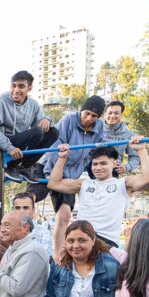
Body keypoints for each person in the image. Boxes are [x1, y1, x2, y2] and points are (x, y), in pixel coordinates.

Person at [47, 141, 149, 248]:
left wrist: (141, 150)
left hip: (106, 242)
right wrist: (62, 157)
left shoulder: (123, 184)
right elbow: (54, 183)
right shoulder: (84, 183)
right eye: (95, 164)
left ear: (114, 164)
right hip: (82, 238)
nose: (98, 168)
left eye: (103, 163)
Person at [41, 95, 107, 256]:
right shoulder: (68, 120)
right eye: (87, 113)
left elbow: (96, 151)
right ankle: (57, 255)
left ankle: (61, 255)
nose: (89, 118)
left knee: (65, 215)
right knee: (33, 198)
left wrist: (90, 166)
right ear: (81, 110)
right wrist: (58, 173)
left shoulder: (99, 126)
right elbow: (55, 146)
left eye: (94, 116)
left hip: (72, 176)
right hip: (54, 169)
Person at [0, 70, 57, 184]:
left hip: (18, 149)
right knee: (37, 132)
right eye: (13, 86)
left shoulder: (33, 104)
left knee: (53, 132)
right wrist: (9, 147)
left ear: (29, 88)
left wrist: (47, 119)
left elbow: (42, 124)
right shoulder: (1, 100)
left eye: (21, 86)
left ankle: (24, 167)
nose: (16, 90)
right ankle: (9, 167)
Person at [11, 191, 53, 260]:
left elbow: (39, 260)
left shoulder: (43, 233)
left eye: (25, 208)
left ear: (33, 210)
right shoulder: (7, 231)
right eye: (17, 208)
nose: (21, 211)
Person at [103, 100, 140, 175]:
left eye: (116, 113)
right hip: (92, 168)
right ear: (105, 114)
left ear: (121, 115)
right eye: (110, 113)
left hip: (113, 171)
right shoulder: (96, 128)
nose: (112, 116)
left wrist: (127, 167)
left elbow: (135, 156)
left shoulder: (129, 134)